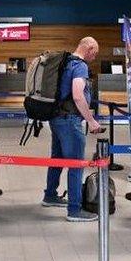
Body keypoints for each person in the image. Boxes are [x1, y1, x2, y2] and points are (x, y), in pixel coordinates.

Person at [42, 36, 104, 222]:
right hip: (70, 120)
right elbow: (78, 96)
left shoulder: (65, 62)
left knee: (57, 159)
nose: (95, 56)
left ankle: (50, 195)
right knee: (76, 164)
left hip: (56, 117)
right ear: (90, 48)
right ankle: (75, 210)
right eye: (95, 52)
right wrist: (91, 120)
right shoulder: (80, 66)